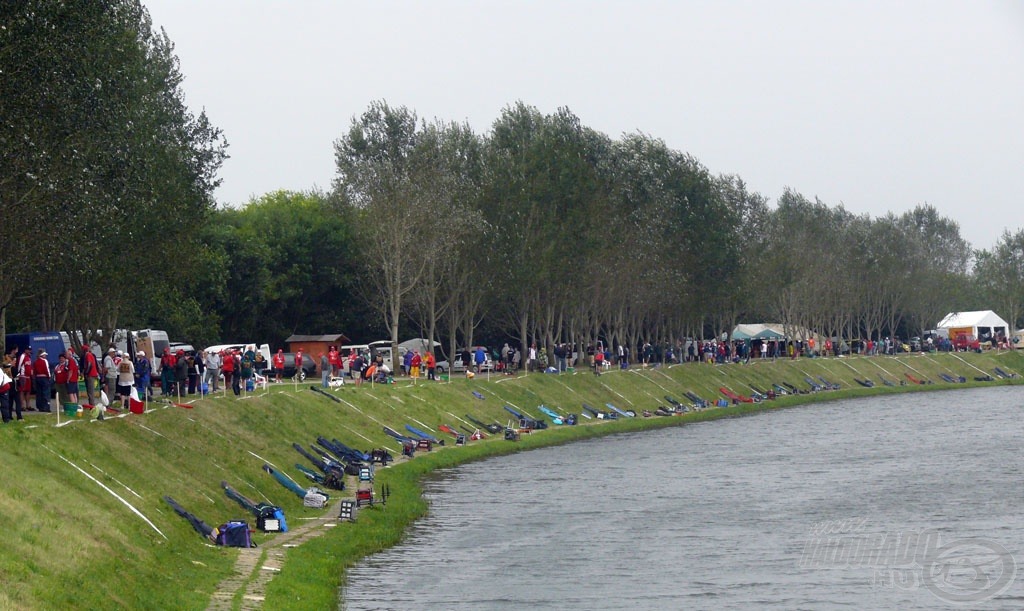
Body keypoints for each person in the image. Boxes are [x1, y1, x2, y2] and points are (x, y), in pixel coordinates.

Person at [17, 347, 33, 411]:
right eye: (28, 350)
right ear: (25, 350)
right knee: (22, 391)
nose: (29, 351)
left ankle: (28, 405)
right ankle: (22, 406)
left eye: (30, 350)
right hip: (23, 376)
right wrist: (18, 374)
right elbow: (19, 365)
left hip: (28, 377)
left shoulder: (29, 357)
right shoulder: (22, 356)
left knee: (28, 391)